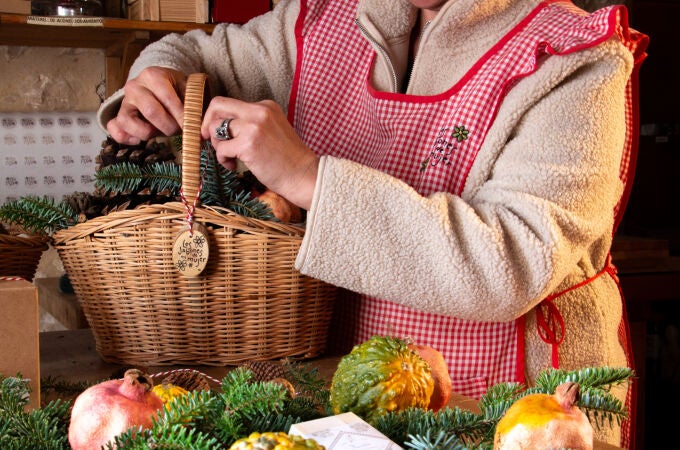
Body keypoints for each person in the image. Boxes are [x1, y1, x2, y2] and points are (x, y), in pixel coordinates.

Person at [98, 0, 648, 446]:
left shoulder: (576, 55)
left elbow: (512, 264)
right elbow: (195, 52)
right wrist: (158, 80)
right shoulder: (316, 23)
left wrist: (309, 177)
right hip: (334, 406)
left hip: (513, 406)